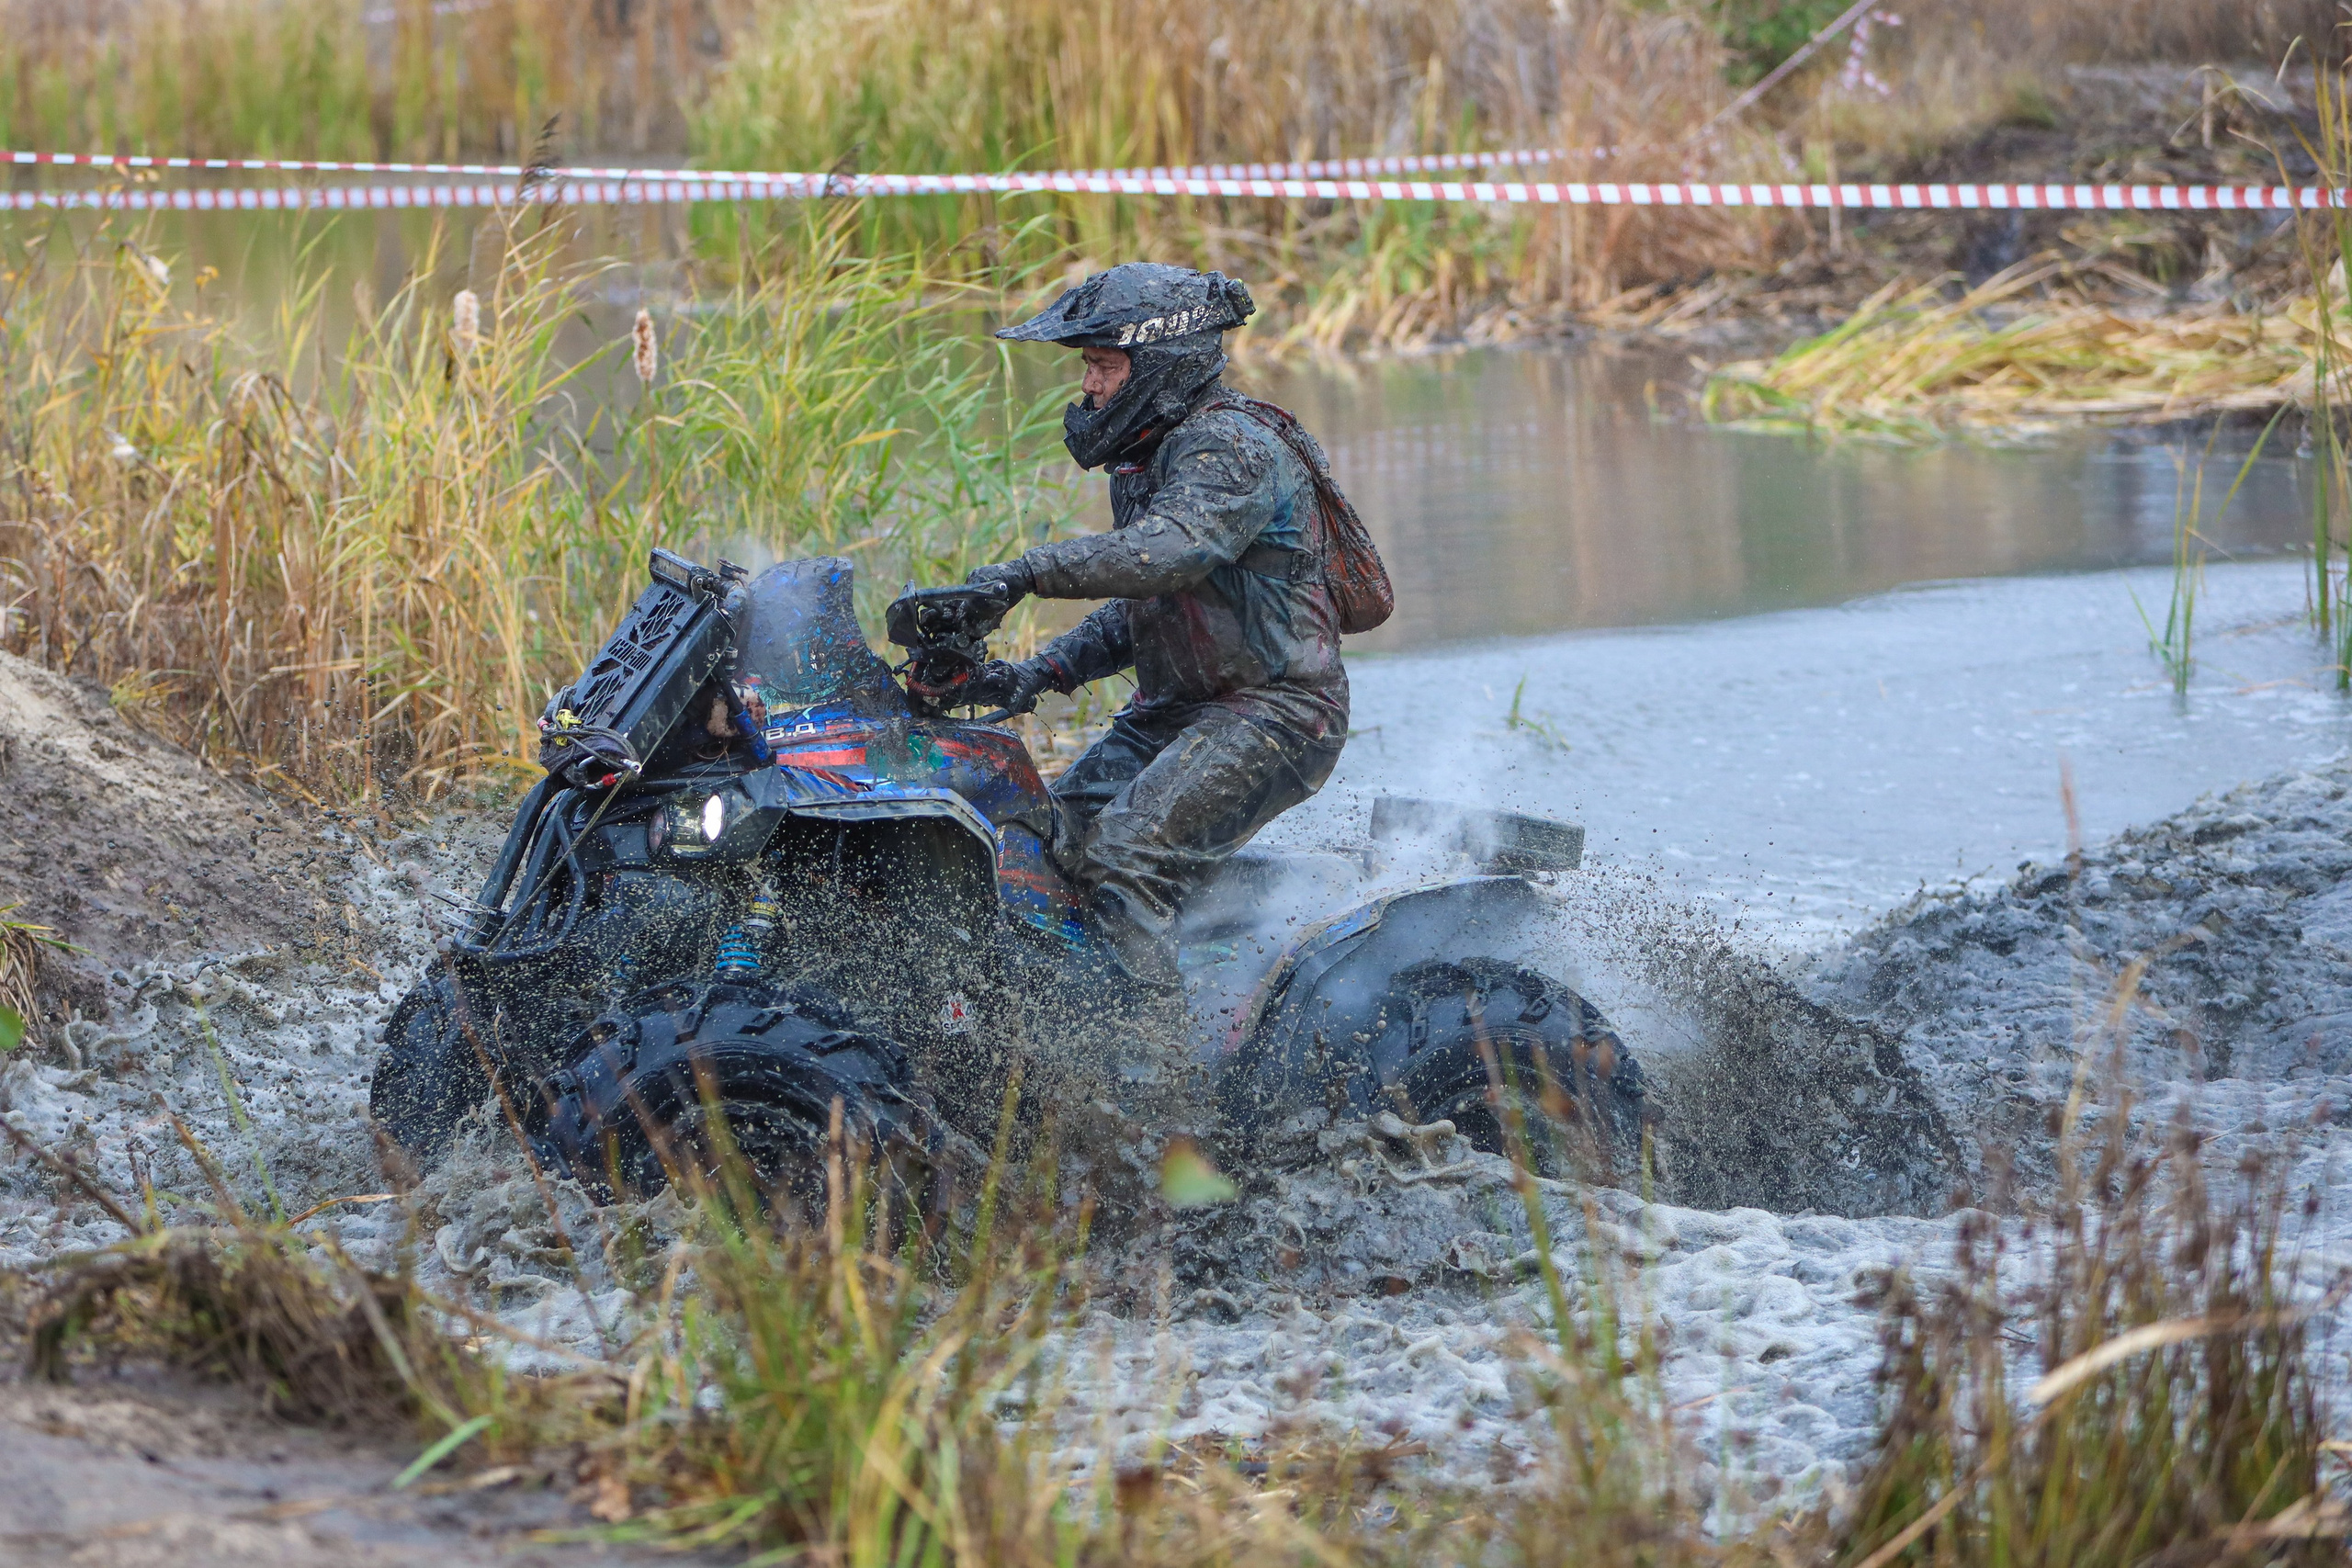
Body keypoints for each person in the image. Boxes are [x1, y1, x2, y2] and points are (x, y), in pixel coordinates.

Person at [955, 263, 1352, 990]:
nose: (1089, 387)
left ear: (1160, 363)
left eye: (1104, 366)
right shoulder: (1148, 456)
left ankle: (1151, 1051)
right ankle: (1070, 1003)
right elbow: (1150, 605)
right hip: (1177, 711)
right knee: (1047, 838)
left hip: (1279, 711)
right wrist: (1034, 674)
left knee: (1124, 853)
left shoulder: (1229, 446)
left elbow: (1166, 555)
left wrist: (1024, 573)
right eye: (1088, 366)